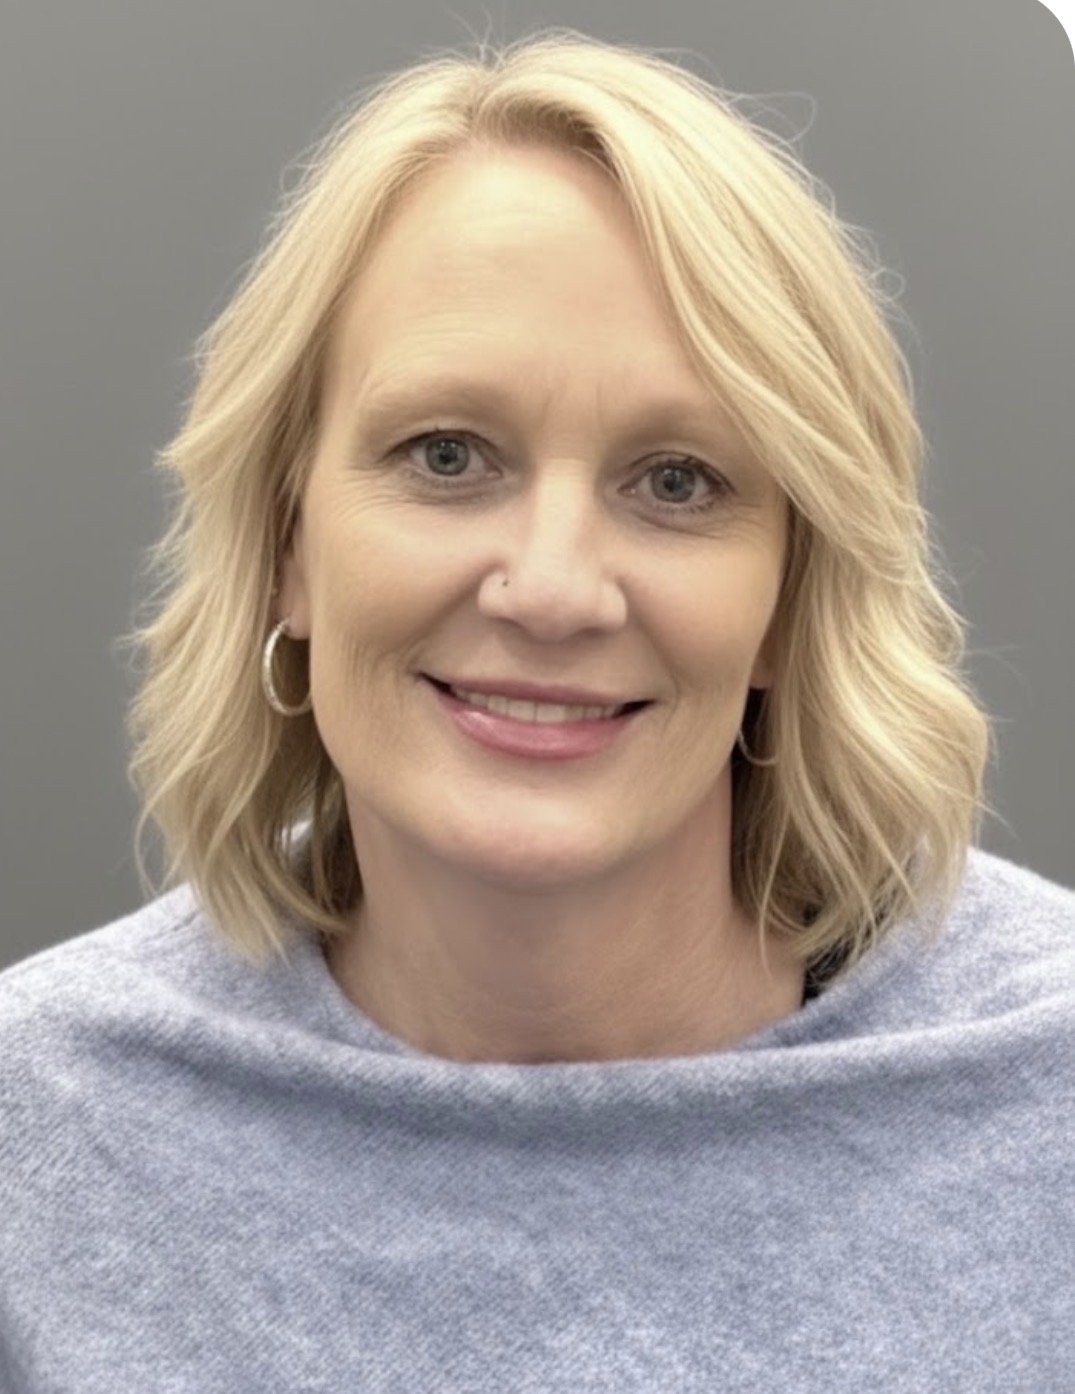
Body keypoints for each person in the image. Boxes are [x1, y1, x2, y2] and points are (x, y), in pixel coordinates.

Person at [1, 28, 1071, 1393]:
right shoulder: (40, 1131)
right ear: (285, 544)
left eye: (678, 480)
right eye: (447, 455)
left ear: (789, 597)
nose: (555, 590)